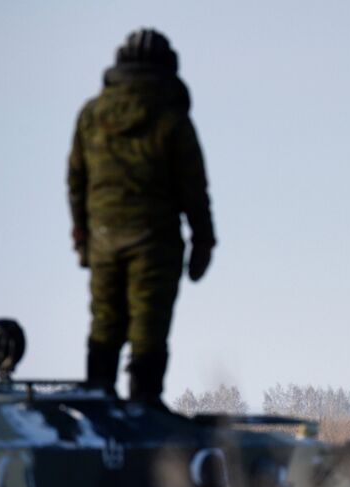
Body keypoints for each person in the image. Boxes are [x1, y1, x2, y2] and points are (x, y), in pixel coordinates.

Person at [67, 28, 215, 406]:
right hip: (155, 241)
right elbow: (193, 189)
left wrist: (84, 236)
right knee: (148, 328)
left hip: (103, 238)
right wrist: (203, 242)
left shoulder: (91, 115)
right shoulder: (172, 120)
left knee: (104, 323)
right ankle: (144, 409)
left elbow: (76, 181)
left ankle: (97, 404)